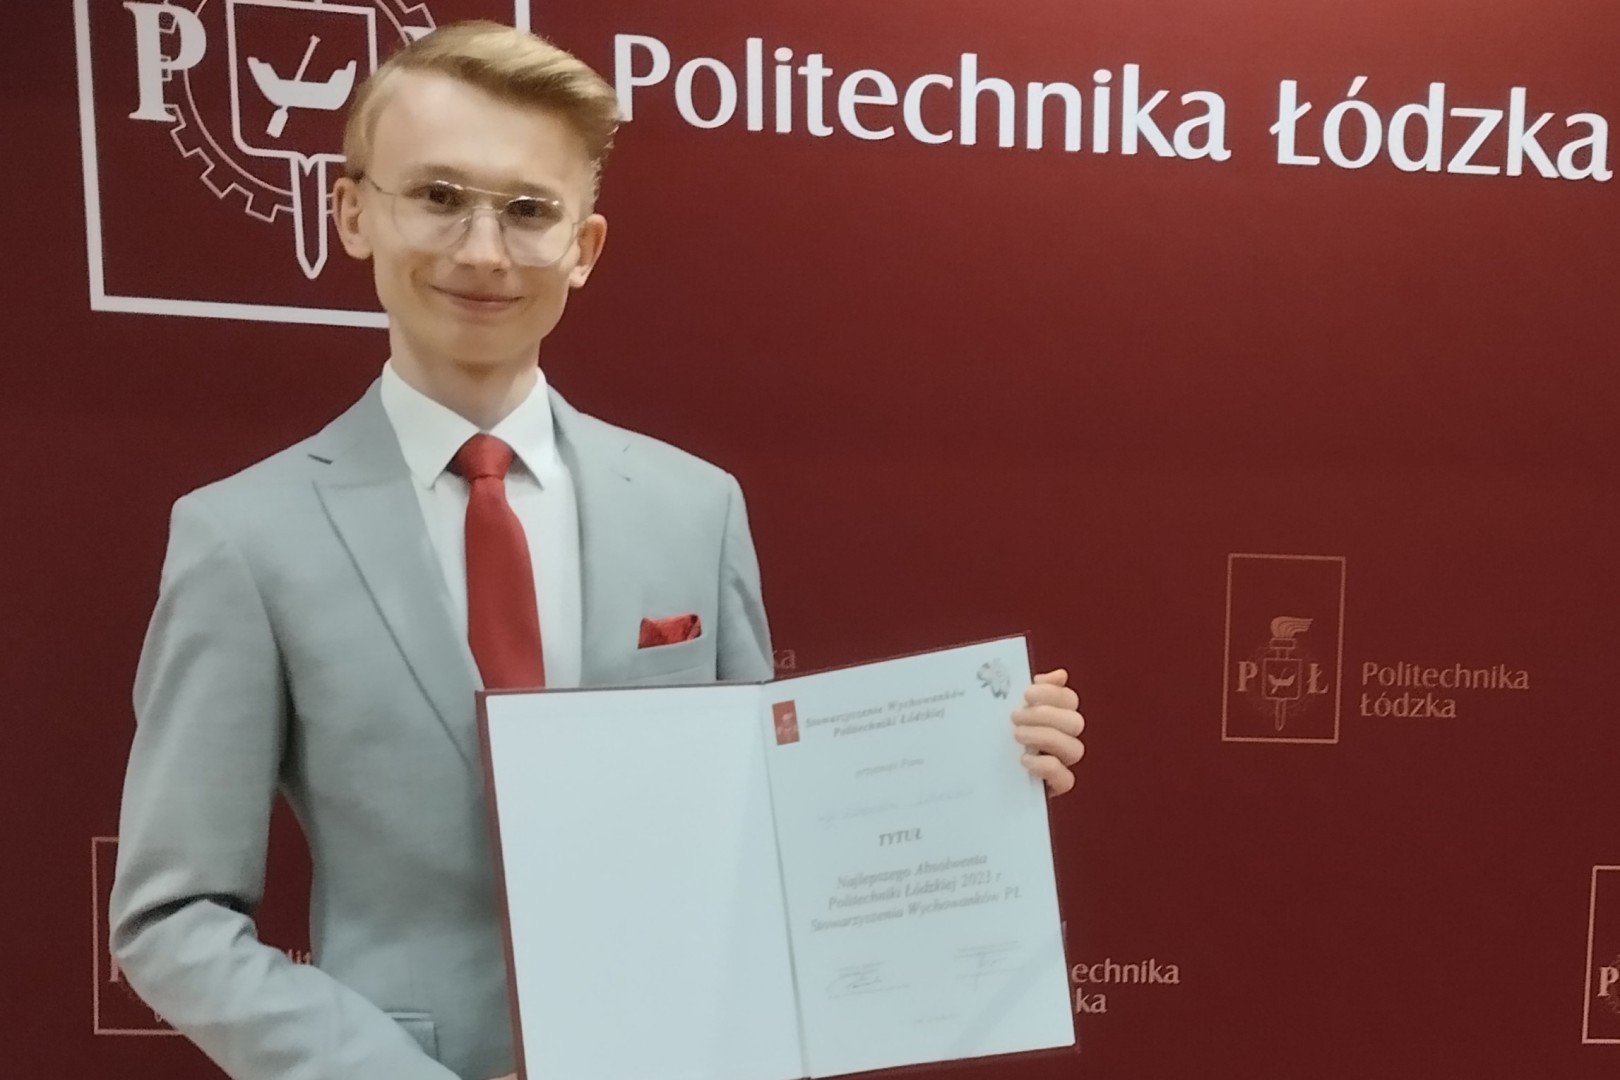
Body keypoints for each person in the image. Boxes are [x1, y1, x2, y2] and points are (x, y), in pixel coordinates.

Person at [109, 20, 1087, 1080]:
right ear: (353, 212)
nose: (483, 251)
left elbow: (767, 833)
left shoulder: (695, 507)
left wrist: (968, 778)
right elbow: (172, 918)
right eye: (438, 196)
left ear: (584, 246)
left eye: (530, 211)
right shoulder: (245, 537)